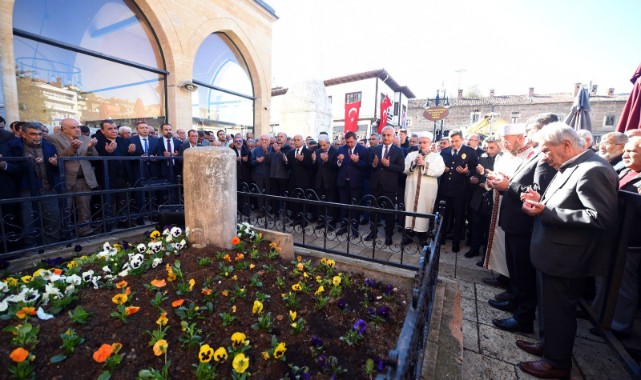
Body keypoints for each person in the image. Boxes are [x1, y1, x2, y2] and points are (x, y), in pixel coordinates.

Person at [516, 123, 618, 379]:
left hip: (566, 258)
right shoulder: (571, 165)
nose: (544, 156)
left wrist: (547, 212)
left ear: (567, 145)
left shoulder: (594, 169)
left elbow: (600, 217)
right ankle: (548, 345)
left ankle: (557, 362)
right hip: (552, 254)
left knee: (560, 311)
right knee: (550, 308)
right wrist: (540, 202)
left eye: (547, 150)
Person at [487, 128, 557, 334]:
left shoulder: (543, 159)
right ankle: (515, 300)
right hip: (513, 219)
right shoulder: (532, 155)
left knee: (524, 271)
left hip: (523, 222)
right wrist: (502, 185)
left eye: (533, 131)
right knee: (516, 270)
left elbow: (537, 191)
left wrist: (509, 185)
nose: (530, 134)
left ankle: (523, 317)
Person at [596, 136, 641, 339]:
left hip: (630, 241)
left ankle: (619, 325)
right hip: (612, 235)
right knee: (604, 276)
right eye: (626, 150)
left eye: (632, 151)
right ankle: (600, 315)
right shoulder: (624, 170)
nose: (626, 154)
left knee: (623, 283)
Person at [5, 122, 61, 248]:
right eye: (33, 134)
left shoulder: (49, 146)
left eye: (40, 134)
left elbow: (57, 168)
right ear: (23, 134)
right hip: (27, 188)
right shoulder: (13, 146)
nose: (37, 137)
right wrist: (29, 164)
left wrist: (56, 163)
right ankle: (32, 247)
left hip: (48, 187)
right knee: (28, 219)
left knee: (53, 217)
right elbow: (11, 167)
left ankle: (52, 246)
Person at [46, 118, 99, 237]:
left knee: (84, 207)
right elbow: (58, 156)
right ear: (64, 129)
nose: (77, 129)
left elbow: (95, 157)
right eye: (73, 127)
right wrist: (72, 148)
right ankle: (66, 231)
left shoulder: (86, 138)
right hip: (66, 178)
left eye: (78, 127)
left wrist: (90, 148)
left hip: (84, 178)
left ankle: (85, 229)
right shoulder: (53, 138)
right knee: (66, 207)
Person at [437, 129, 478, 252]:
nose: (454, 144)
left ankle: (456, 242)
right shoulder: (444, 152)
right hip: (445, 189)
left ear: (462, 140)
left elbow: (475, 171)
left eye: (456, 141)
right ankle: (441, 238)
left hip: (460, 191)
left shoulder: (469, 152)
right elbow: (439, 167)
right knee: (443, 216)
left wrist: (467, 172)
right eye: (451, 141)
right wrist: (442, 169)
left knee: (459, 217)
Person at [401, 132, 445, 245]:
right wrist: (415, 162)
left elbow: (439, 171)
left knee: (425, 210)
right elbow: (405, 169)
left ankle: (423, 236)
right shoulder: (411, 155)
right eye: (420, 142)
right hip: (411, 189)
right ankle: (409, 234)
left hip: (427, 190)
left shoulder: (437, 157)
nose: (422, 144)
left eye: (424, 142)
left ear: (430, 143)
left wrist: (425, 164)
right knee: (410, 210)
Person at [365, 126, 405, 246]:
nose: (386, 137)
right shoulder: (375, 149)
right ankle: (373, 232)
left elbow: (401, 168)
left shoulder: (398, 151)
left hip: (390, 186)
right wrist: (374, 164)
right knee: (373, 210)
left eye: (388, 135)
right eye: (384, 135)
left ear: (393, 136)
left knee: (389, 212)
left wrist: (389, 165)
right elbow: (369, 166)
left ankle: (388, 235)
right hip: (375, 185)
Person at [465, 136, 500, 259]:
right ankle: (474, 249)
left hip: (491, 199)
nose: (489, 150)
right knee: (475, 225)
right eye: (487, 148)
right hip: (478, 197)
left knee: (488, 228)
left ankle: (486, 255)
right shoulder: (483, 157)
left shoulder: (502, 160)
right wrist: (474, 178)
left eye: (492, 148)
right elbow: (476, 173)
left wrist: (483, 179)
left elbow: (497, 178)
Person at [94, 119, 132, 229]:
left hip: (123, 176)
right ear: (103, 130)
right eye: (110, 129)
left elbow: (129, 156)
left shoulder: (123, 141)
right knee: (108, 201)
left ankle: (124, 222)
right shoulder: (98, 141)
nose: (113, 131)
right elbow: (95, 159)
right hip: (107, 177)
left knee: (123, 200)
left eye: (115, 128)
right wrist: (107, 152)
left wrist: (132, 152)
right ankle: (108, 225)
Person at [336, 131, 370, 238]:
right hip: (343, 182)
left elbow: (367, 166)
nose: (349, 144)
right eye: (347, 142)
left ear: (355, 139)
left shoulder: (363, 150)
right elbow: (335, 165)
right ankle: (343, 227)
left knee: (355, 207)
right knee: (343, 206)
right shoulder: (341, 149)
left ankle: (355, 229)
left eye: (351, 142)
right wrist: (339, 161)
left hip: (356, 183)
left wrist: (357, 161)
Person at [285, 134, 314, 226]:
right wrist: (286, 161)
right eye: (295, 140)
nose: (296, 141)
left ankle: (304, 220)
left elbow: (310, 166)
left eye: (298, 140)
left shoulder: (308, 152)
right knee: (294, 201)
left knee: (304, 201)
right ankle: (296, 219)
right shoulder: (290, 152)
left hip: (304, 181)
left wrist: (302, 160)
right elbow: (289, 167)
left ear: (302, 141)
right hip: (293, 180)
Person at [312, 134, 339, 230]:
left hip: (331, 182)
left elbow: (336, 167)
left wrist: (327, 160)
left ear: (328, 143)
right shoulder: (318, 151)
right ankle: (321, 222)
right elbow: (316, 168)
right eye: (321, 145)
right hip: (320, 181)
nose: (322, 147)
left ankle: (332, 223)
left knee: (331, 203)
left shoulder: (335, 151)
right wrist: (314, 161)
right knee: (320, 203)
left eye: (324, 145)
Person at [250, 134, 271, 214]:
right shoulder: (256, 150)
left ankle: (268, 210)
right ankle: (261, 210)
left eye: (266, 140)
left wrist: (266, 153)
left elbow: (272, 162)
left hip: (269, 175)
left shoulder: (272, 149)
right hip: (258, 175)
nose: (264, 141)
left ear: (269, 141)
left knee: (268, 193)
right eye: (262, 139)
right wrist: (257, 161)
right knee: (259, 193)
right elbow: (251, 162)